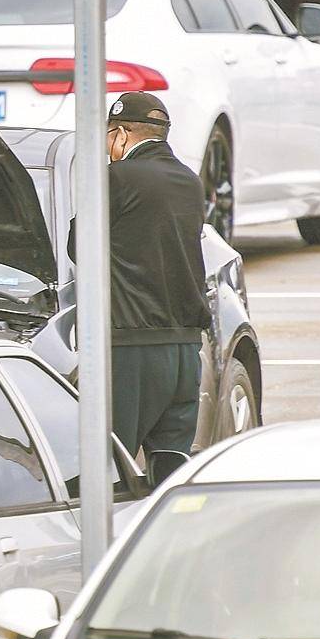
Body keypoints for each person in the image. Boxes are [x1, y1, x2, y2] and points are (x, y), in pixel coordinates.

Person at [105, 91, 210, 487]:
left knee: (106, 469)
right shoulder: (189, 181)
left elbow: (79, 246)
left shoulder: (117, 178)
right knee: (170, 469)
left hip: (132, 347)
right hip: (184, 348)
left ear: (121, 133)